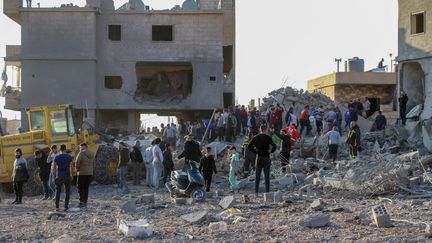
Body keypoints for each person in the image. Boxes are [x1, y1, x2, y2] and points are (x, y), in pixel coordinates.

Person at [248, 124, 277, 195]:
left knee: (257, 175)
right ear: (265, 129)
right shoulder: (268, 137)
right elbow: (274, 146)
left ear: (259, 129)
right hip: (266, 157)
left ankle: (256, 192)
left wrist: (256, 151)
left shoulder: (256, 137)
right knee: (266, 176)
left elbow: (249, 146)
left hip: (259, 158)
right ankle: (267, 193)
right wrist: (270, 151)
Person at [52, 144, 73, 211]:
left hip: (59, 175)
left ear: (60, 149)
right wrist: (71, 174)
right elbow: (71, 167)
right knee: (67, 191)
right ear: (65, 149)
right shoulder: (69, 157)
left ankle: (57, 207)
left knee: (58, 191)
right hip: (67, 175)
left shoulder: (57, 157)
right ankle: (66, 207)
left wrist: (54, 176)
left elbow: (54, 168)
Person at [74, 143, 94, 208]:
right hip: (90, 173)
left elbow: (77, 162)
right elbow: (94, 162)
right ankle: (85, 202)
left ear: (83, 147)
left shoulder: (81, 153)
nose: (80, 148)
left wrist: (77, 169)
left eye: (80, 147)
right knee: (86, 188)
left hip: (82, 173)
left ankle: (81, 202)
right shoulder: (91, 153)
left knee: (80, 187)